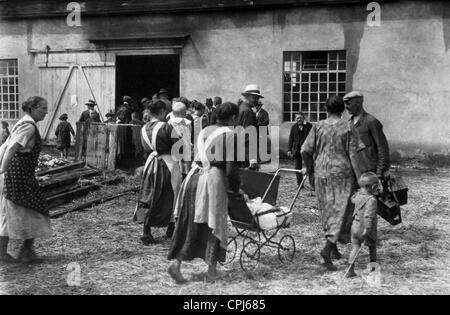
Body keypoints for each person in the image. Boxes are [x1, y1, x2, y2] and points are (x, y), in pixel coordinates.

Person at [167, 102, 241, 284]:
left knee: (187, 221)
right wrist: (236, 190)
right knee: (215, 222)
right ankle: (211, 271)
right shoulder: (230, 135)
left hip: (193, 177)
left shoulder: (204, 131)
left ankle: (176, 264)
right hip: (212, 180)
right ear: (232, 118)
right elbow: (231, 170)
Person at [301, 95, 361, 271]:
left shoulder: (318, 126)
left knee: (327, 211)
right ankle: (327, 250)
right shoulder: (348, 127)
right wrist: (360, 178)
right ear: (342, 109)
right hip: (342, 176)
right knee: (342, 212)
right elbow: (354, 155)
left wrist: (310, 168)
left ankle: (333, 249)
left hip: (321, 175)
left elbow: (305, 150)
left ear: (326, 109)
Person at [0, 96, 52, 264]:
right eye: (43, 108)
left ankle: (24, 251)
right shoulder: (28, 127)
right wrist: (2, 169)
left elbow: (5, 146)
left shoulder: (23, 123)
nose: (46, 112)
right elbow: (12, 147)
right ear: (32, 109)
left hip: (20, 175)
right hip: (17, 177)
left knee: (16, 213)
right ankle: (23, 252)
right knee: (32, 210)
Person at [133, 100, 182, 245]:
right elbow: (178, 149)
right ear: (161, 111)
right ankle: (171, 228)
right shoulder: (167, 127)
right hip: (168, 163)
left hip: (150, 162)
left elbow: (143, 148)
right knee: (172, 193)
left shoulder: (143, 129)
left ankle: (146, 230)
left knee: (148, 194)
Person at [343, 91, 390, 180]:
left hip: (370, 171)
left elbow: (382, 147)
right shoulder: (349, 123)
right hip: (354, 171)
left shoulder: (371, 121)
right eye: (345, 104)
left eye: (348, 104)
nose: (346, 107)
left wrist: (381, 171)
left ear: (358, 103)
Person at [347, 172, 379, 278]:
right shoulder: (372, 200)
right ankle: (373, 268)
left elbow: (352, 200)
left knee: (355, 247)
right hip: (365, 228)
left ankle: (350, 270)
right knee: (372, 245)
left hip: (355, 227)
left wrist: (357, 193)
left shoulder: (357, 196)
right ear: (374, 187)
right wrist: (368, 228)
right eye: (377, 186)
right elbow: (368, 216)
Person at [168, 102, 193, 180]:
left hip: (174, 147)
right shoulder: (188, 124)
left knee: (175, 167)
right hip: (186, 147)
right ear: (185, 113)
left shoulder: (169, 123)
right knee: (186, 167)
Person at [238, 84, 260, 169]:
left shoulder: (241, 108)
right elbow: (248, 135)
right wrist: (252, 157)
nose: (257, 100)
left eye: (257, 98)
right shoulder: (248, 111)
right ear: (247, 96)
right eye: (254, 97)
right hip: (245, 154)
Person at [288, 112, 312, 186]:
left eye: (300, 118)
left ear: (303, 118)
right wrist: (289, 150)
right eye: (297, 118)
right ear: (295, 119)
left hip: (306, 150)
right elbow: (291, 139)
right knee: (297, 168)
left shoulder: (308, 126)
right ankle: (300, 185)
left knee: (310, 167)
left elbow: (312, 137)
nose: (299, 119)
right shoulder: (294, 127)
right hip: (297, 151)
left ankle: (312, 184)